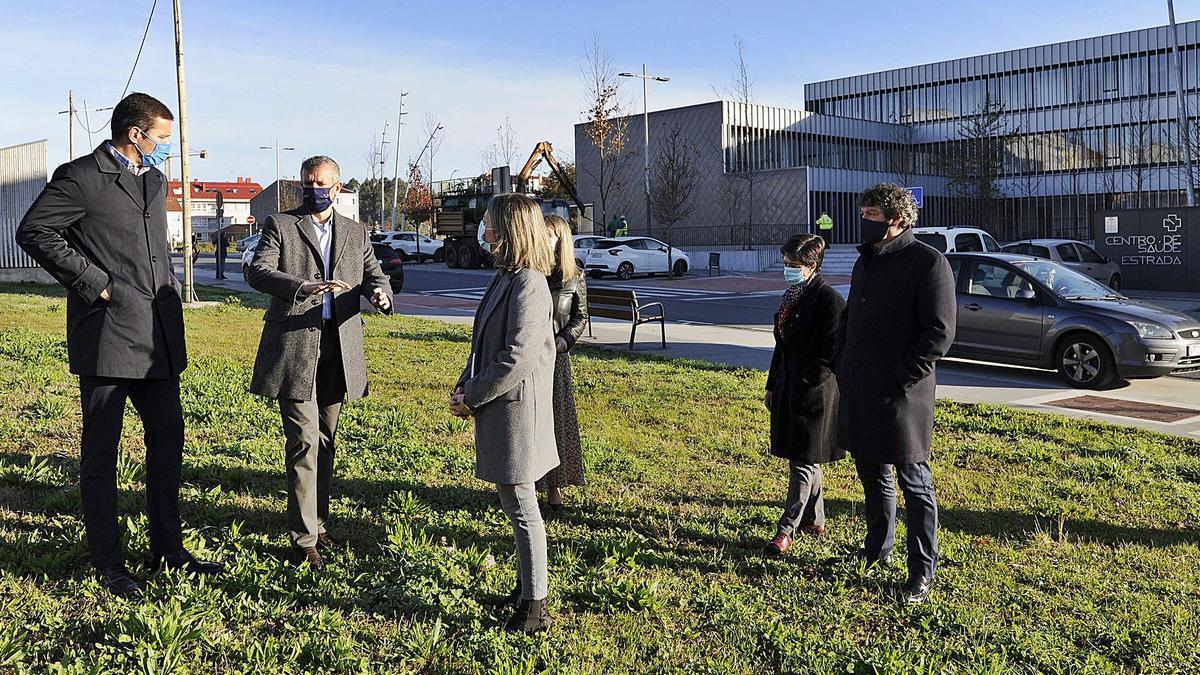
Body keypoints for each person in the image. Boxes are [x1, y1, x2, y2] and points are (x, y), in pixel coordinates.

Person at [15, 92, 223, 597]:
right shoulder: (82, 176)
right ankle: (109, 562)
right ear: (136, 134)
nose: (166, 151)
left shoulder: (153, 179)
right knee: (101, 455)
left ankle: (168, 551)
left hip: (158, 341)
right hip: (108, 336)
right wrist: (96, 282)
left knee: (168, 446)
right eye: (163, 140)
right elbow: (36, 231)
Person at [245, 155, 393, 571]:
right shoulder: (280, 225)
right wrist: (304, 286)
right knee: (304, 441)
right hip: (294, 348)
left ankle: (318, 520)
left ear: (338, 186)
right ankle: (304, 538)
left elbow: (373, 274)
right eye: (308, 182)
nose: (315, 189)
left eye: (322, 182)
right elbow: (258, 272)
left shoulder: (355, 231)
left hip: (339, 350)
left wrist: (380, 295)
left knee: (326, 441)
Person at [835, 183, 956, 605]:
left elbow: (938, 335)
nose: (863, 221)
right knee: (872, 476)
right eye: (864, 212)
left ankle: (921, 572)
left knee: (914, 483)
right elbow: (852, 317)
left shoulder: (928, 263)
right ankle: (877, 551)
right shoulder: (865, 260)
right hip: (860, 389)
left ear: (897, 220)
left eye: (871, 214)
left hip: (902, 398)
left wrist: (901, 378)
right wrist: (840, 362)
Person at [450, 193, 558, 634]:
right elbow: (484, 346)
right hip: (500, 406)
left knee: (522, 506)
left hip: (516, 412)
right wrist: (464, 385)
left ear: (510, 229)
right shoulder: (506, 276)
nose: (484, 230)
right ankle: (524, 586)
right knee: (514, 504)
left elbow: (515, 359)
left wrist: (472, 395)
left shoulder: (530, 283)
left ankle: (535, 607)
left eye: (490, 223)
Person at [762, 233, 846, 556]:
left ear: (811, 266)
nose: (787, 269)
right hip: (788, 389)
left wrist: (807, 380)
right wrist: (773, 384)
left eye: (793, 264)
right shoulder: (792, 295)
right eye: (785, 263)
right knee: (806, 456)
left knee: (803, 460)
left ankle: (786, 530)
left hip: (815, 396)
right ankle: (816, 518)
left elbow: (833, 351)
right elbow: (781, 347)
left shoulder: (829, 301)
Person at [536, 214, 588, 512]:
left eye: (550, 235)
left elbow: (581, 316)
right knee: (528, 420)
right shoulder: (529, 271)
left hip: (555, 360)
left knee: (556, 423)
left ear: (561, 240)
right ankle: (525, 482)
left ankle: (555, 487)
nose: (544, 240)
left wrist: (564, 340)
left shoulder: (575, 275)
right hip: (528, 357)